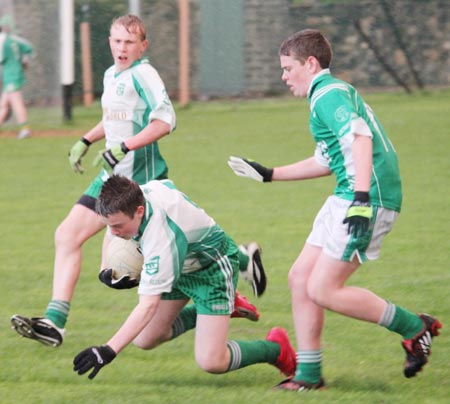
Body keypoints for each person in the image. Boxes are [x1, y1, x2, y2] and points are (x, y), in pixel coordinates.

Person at [11, 14, 265, 348]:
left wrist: (125, 146)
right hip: (110, 177)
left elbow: (165, 121)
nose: (122, 47)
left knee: (130, 273)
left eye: (130, 42)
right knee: (67, 236)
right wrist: (86, 140)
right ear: (110, 43)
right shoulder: (111, 74)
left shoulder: (144, 74)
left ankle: (235, 273)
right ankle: (55, 322)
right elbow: (114, 118)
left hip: (141, 184)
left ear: (143, 46)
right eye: (117, 41)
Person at [227, 29, 442, 391]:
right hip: (348, 194)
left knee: (323, 288)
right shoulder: (326, 96)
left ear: (310, 64)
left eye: (287, 67)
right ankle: (309, 376)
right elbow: (327, 161)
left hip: (368, 197)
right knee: (300, 279)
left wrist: (360, 200)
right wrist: (269, 175)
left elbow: (360, 137)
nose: (283, 76)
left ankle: (413, 327)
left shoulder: (327, 94)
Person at [72, 175, 295, 380]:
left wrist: (107, 350)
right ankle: (223, 309)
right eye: (109, 225)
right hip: (181, 263)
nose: (113, 232)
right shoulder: (133, 194)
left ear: (140, 211)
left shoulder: (161, 239)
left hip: (211, 269)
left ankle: (276, 348)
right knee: (145, 338)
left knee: (212, 361)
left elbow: (148, 306)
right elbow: (116, 224)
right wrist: (104, 269)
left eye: (119, 226)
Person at [0, 15, 34, 139]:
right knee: (3, 105)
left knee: (16, 102)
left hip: (11, 76)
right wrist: (24, 60)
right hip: (12, 74)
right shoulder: (14, 39)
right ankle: (24, 129)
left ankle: (25, 130)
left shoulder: (2, 40)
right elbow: (30, 49)